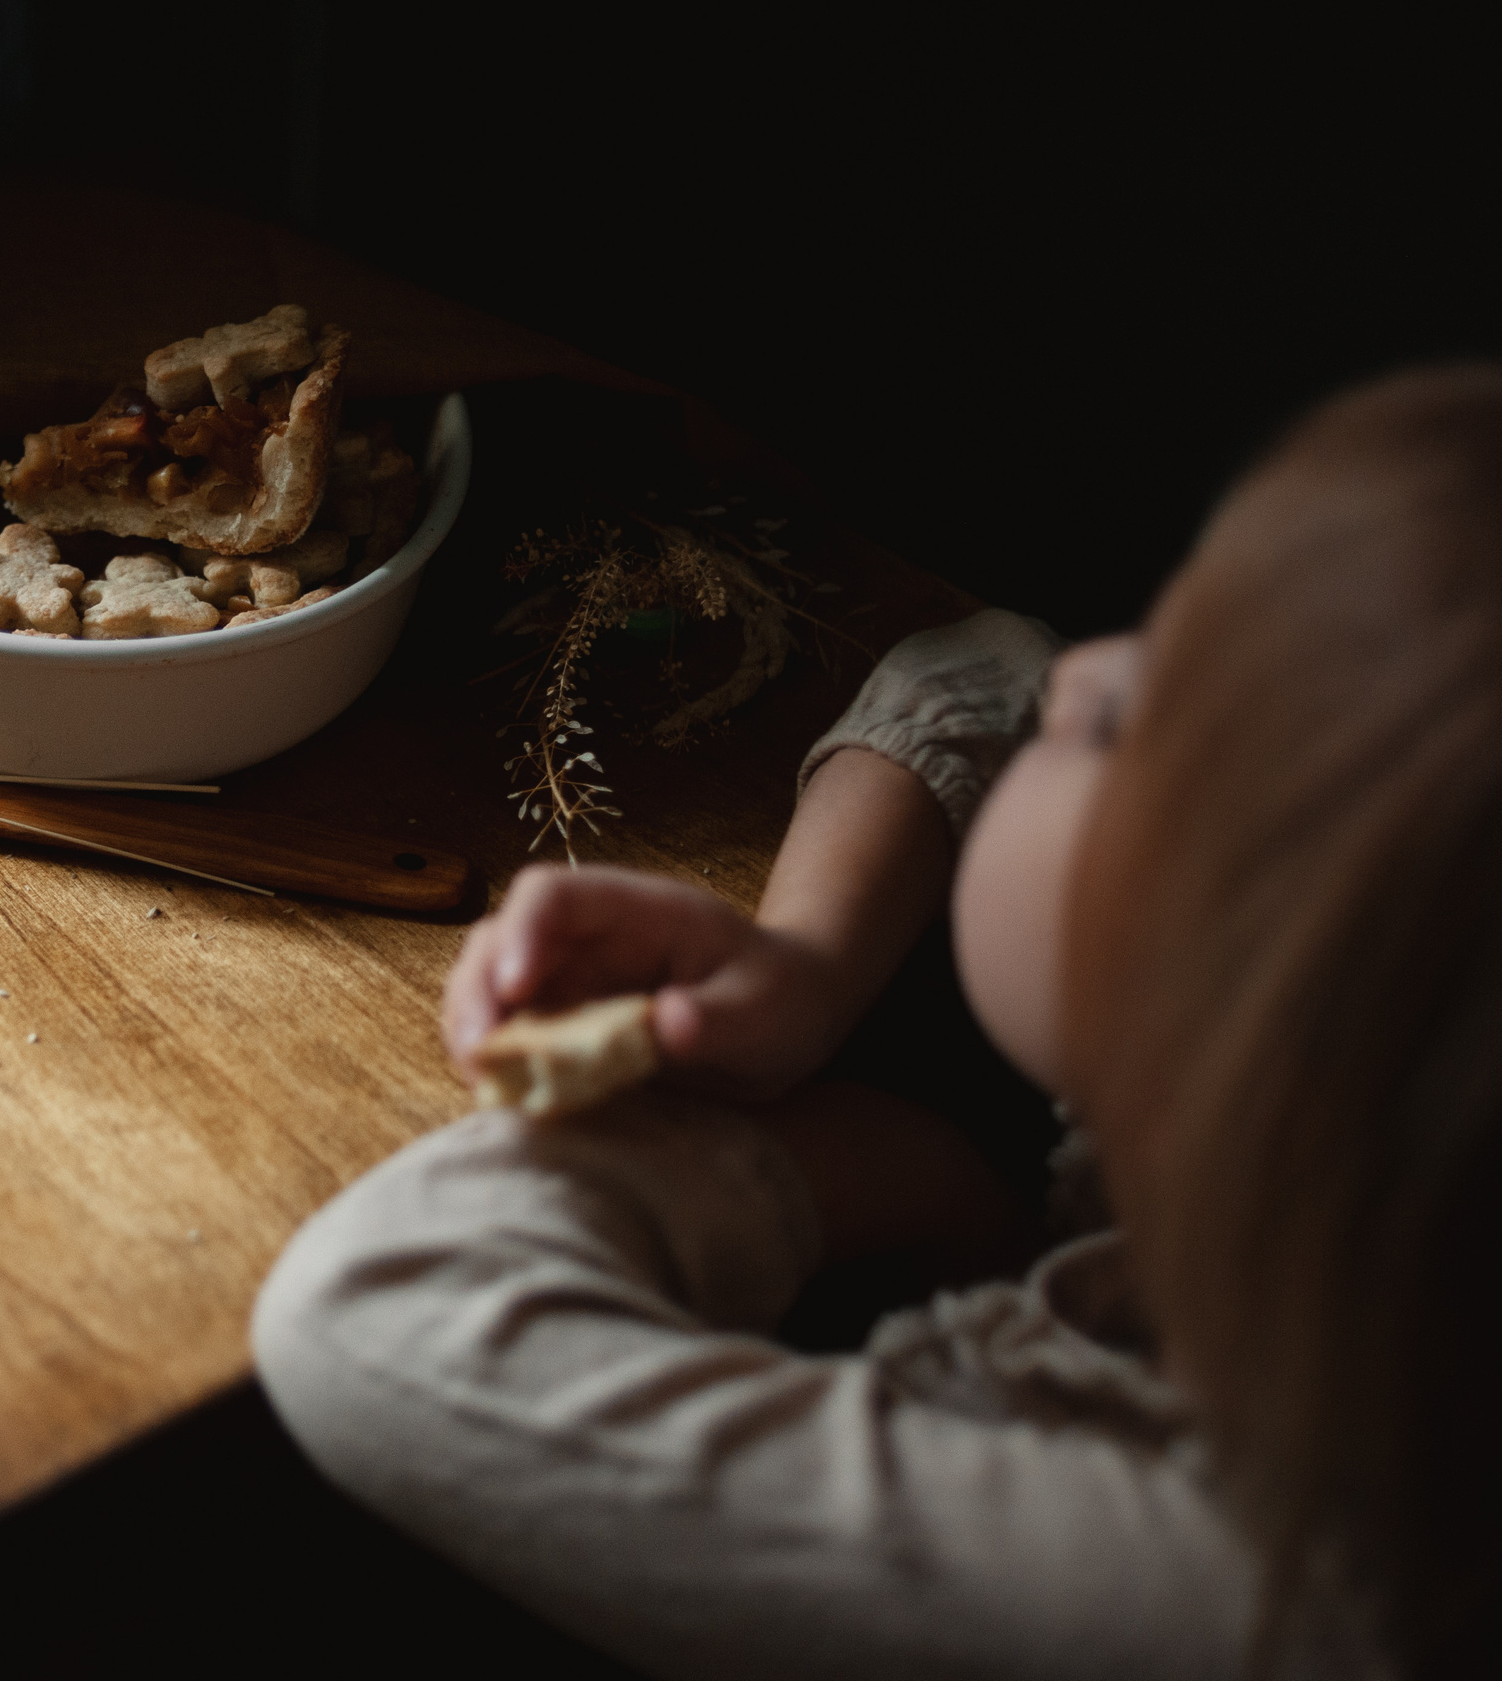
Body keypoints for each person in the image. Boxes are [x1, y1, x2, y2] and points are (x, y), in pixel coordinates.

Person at [253, 365, 1502, 1679]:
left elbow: (375, 1309)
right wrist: (807, 967)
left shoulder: (1224, 1600)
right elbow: (985, 662)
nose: (1082, 665)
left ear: (1240, 1001)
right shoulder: (1318, 1192)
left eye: (1122, 724)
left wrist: (808, 1142)